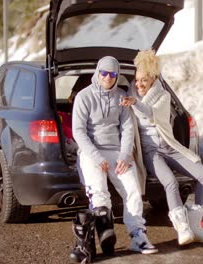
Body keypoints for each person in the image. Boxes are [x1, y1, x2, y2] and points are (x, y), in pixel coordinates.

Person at [120, 49, 203, 246]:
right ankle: (182, 227)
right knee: (170, 182)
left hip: (170, 148)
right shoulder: (130, 94)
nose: (138, 84)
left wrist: (136, 103)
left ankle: (197, 222)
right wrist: (133, 101)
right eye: (137, 80)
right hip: (150, 152)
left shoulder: (163, 96)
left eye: (144, 81)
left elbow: (151, 113)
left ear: (154, 79)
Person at [69, 56, 157, 263]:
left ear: (117, 76)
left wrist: (125, 156)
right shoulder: (84, 97)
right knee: (99, 191)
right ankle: (104, 230)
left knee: (133, 189)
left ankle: (137, 235)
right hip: (91, 152)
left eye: (112, 74)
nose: (108, 78)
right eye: (104, 73)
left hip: (117, 151)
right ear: (98, 73)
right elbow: (78, 132)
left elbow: (127, 129)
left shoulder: (122, 97)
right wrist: (96, 157)